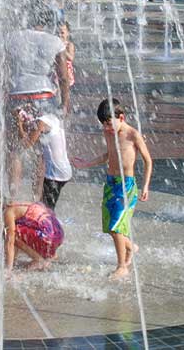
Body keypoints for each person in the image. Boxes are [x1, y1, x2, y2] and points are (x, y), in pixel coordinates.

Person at [70, 98, 153, 279]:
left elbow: (148, 161)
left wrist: (145, 186)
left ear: (121, 118)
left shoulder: (133, 135)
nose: (107, 128)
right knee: (109, 227)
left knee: (116, 228)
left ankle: (122, 266)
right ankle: (130, 247)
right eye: (104, 124)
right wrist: (87, 164)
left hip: (127, 186)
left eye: (109, 123)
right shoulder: (109, 133)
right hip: (110, 183)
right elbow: (109, 154)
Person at [5, 10, 69, 190]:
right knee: (41, 151)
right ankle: (37, 198)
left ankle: (13, 194)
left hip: (17, 95)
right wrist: (64, 104)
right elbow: (63, 77)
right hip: (44, 97)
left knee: (15, 149)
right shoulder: (55, 42)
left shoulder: (12, 38)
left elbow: (5, 72)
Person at [0, 187, 64, 271]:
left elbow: (10, 242)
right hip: (58, 234)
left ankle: (39, 261)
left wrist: (8, 270)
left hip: (47, 237)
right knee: (16, 228)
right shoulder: (15, 204)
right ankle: (50, 255)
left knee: (12, 233)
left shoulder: (8, 212)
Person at [24, 111, 71, 209]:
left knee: (47, 210)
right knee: (46, 206)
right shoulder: (53, 118)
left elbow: (27, 144)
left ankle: (50, 222)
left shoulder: (41, 122)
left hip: (55, 173)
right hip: (64, 170)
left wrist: (19, 124)